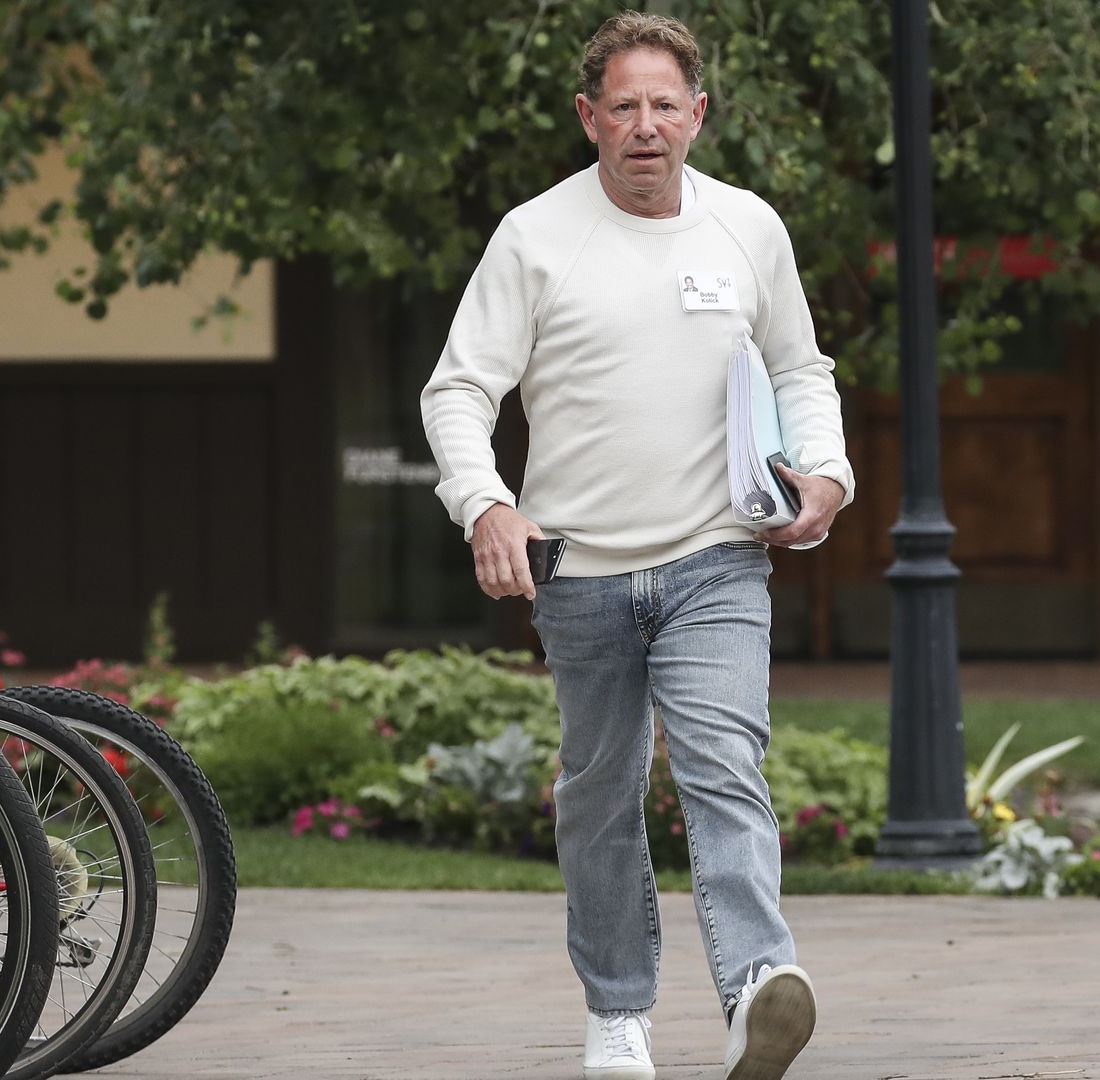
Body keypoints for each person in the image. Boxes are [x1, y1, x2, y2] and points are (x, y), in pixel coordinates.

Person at [419, 12, 854, 1080]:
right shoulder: (534, 236)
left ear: (698, 116)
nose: (645, 126)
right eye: (624, 106)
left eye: (666, 105)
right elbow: (461, 387)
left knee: (724, 768)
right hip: (579, 569)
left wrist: (828, 473)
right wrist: (486, 503)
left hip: (718, 556)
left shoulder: (748, 228)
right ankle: (618, 1016)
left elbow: (801, 368)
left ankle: (758, 984)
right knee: (600, 794)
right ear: (589, 118)